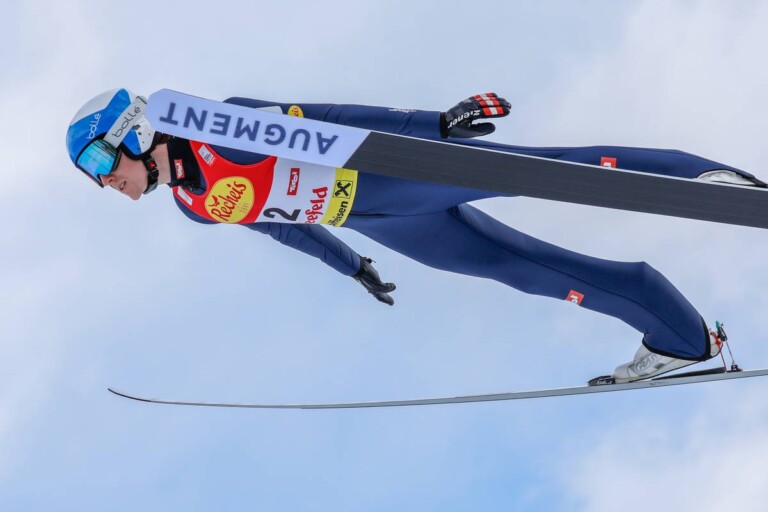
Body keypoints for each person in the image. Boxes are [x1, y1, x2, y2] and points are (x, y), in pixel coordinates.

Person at [66, 89, 764, 383]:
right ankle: (682, 339)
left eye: (99, 162)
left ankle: (705, 179)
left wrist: (437, 124)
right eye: (91, 177)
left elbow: (332, 120)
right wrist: (351, 266)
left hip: (392, 180)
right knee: (523, 269)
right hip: (376, 221)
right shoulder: (191, 203)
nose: (105, 182)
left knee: (546, 172)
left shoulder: (210, 122)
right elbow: (282, 228)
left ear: (128, 129)